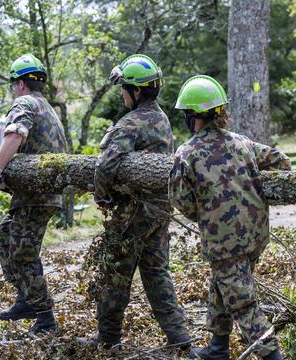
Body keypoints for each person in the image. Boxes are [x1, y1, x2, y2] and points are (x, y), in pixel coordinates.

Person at [77, 54, 191, 349]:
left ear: (137, 91)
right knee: (156, 274)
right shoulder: (161, 118)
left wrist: (101, 195)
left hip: (135, 212)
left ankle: (108, 338)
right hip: (160, 210)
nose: (121, 93)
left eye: (124, 87)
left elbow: (107, 164)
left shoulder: (131, 123)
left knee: (115, 272)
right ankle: (179, 339)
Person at [170, 75, 287, 360]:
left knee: (243, 304)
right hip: (256, 235)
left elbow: (181, 201)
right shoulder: (242, 143)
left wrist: (207, 212)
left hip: (224, 241)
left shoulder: (186, 153)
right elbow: (281, 160)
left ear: (191, 115)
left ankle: (273, 356)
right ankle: (218, 348)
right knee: (223, 283)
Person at [0, 54, 67, 335]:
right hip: (38, 192)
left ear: (20, 83)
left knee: (23, 254)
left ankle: (45, 317)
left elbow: (15, 133)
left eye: (13, 85)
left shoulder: (24, 103)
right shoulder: (46, 106)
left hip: (36, 193)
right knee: (4, 236)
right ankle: (25, 297)